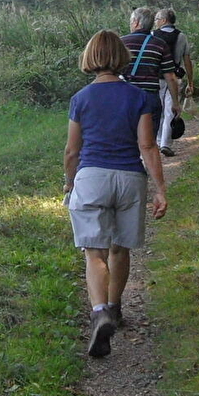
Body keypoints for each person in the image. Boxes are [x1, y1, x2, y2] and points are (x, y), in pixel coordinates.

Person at [63, 29, 169, 358]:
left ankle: (99, 313)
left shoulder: (80, 99)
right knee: (120, 250)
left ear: (89, 58)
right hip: (129, 180)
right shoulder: (139, 97)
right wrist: (160, 189)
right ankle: (115, 306)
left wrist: (69, 183)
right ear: (122, 57)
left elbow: (72, 151)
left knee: (94, 253)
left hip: (92, 177)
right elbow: (148, 145)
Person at [120, 8, 182, 158]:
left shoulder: (121, 43)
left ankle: (129, 165)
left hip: (125, 98)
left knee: (126, 137)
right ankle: (143, 168)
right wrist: (175, 102)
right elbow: (170, 77)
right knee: (149, 141)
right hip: (150, 99)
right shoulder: (160, 45)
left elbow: (112, 72)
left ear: (136, 23)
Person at [154, 8, 195, 156]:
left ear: (164, 20)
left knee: (157, 110)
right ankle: (165, 143)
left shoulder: (153, 36)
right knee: (171, 110)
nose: (156, 22)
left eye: (157, 19)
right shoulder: (181, 36)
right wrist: (191, 82)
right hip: (175, 77)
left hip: (156, 78)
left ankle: (158, 141)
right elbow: (187, 61)